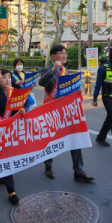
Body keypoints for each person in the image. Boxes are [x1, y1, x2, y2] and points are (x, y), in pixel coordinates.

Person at [39, 45, 94, 182]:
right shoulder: (47, 69)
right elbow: (41, 82)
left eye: (65, 53)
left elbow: (67, 89)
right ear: (53, 56)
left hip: (66, 112)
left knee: (74, 139)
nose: (64, 55)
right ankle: (48, 167)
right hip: (51, 112)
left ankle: (78, 171)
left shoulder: (66, 70)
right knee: (50, 141)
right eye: (61, 53)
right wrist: (53, 69)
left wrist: (78, 90)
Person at [0, 69, 24, 205]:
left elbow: (17, 107)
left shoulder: (13, 92)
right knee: (2, 157)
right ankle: (10, 190)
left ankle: (7, 184)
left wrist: (21, 110)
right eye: (4, 77)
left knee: (7, 157)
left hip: (10, 131)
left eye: (9, 77)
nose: (8, 79)